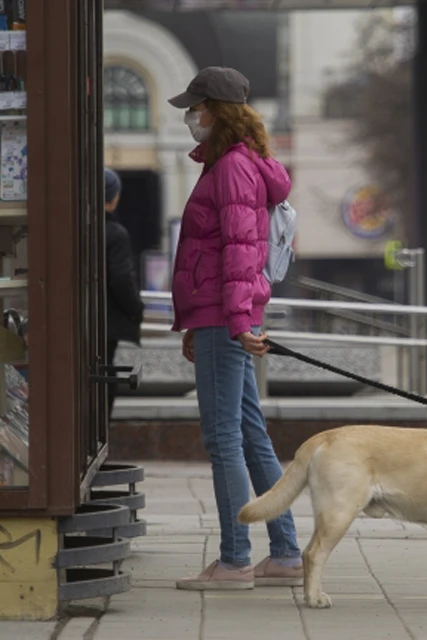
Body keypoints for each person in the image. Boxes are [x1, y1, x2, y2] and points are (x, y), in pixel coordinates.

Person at [167, 67, 302, 590]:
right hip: (221, 316)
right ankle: (287, 555)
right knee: (250, 435)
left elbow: (242, 253)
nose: (190, 116)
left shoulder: (230, 168)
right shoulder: (240, 163)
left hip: (225, 317)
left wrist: (237, 321)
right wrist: (203, 323)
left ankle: (233, 560)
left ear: (216, 110)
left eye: (196, 106)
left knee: (223, 439)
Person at [104, 168, 145, 419]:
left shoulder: (73, 229)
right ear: (114, 197)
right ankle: (100, 441)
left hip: (77, 325)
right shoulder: (115, 234)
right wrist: (136, 309)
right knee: (103, 380)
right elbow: (121, 278)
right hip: (107, 326)